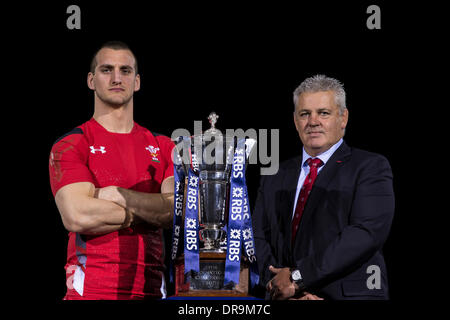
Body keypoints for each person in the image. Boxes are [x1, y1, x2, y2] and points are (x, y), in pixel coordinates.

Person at [49, 41, 175, 300]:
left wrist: (115, 194)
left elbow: (175, 212)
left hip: (151, 293)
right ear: (91, 80)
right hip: (89, 295)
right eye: (107, 70)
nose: (117, 78)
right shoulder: (72, 144)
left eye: (125, 71)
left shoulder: (165, 146)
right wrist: (151, 209)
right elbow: (77, 216)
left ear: (137, 81)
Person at [252, 74, 394, 300]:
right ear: (295, 120)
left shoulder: (370, 167)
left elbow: (364, 235)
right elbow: (257, 236)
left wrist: (298, 279)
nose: (313, 121)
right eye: (305, 114)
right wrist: (277, 286)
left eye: (323, 113)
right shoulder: (275, 175)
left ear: (343, 118)